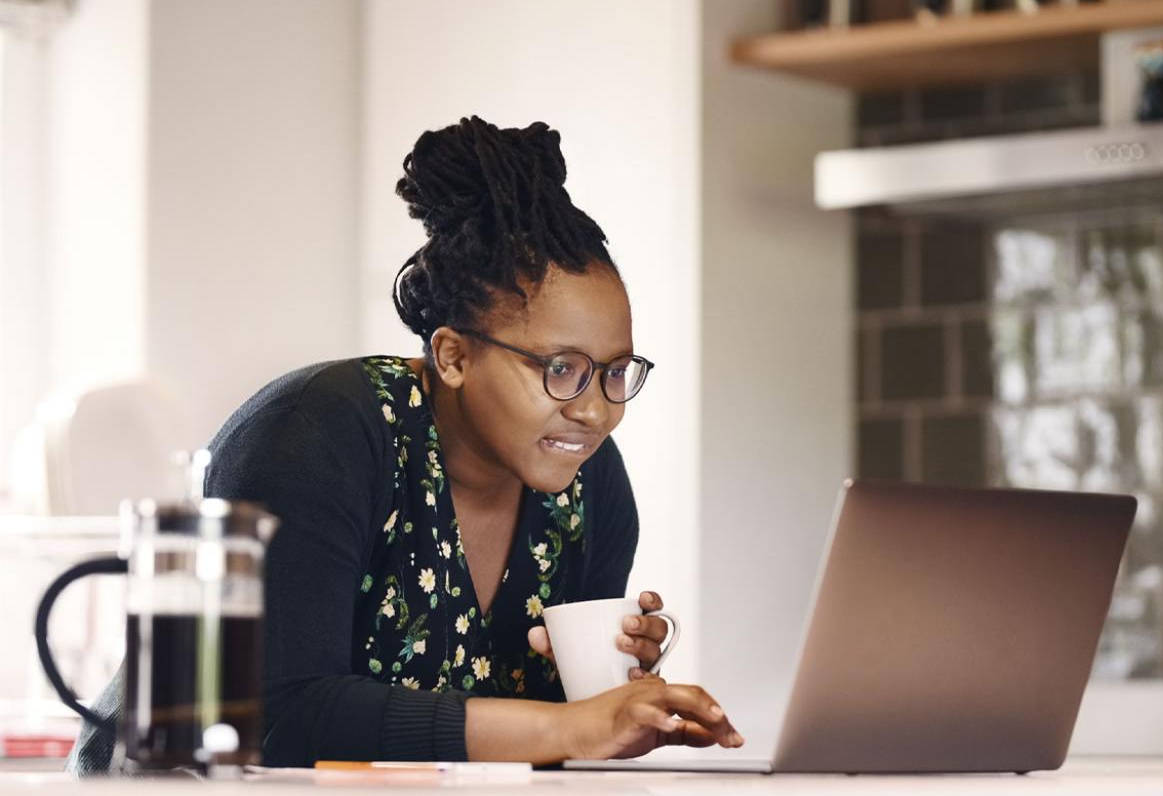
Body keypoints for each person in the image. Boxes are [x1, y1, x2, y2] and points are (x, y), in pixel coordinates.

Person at [68, 116, 740, 772]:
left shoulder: (591, 484)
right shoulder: (314, 434)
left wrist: (605, 696)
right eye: (560, 369)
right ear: (453, 356)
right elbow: (275, 716)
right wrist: (568, 725)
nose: (595, 411)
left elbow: (541, 751)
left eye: (616, 372)